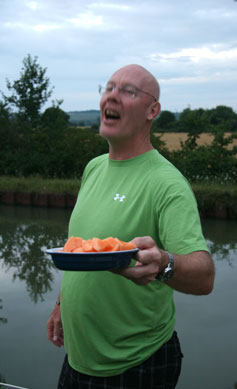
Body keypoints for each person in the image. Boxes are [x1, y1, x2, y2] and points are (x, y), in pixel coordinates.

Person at [47, 64, 215, 389]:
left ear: (153, 110)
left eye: (128, 91)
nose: (112, 95)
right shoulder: (94, 168)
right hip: (78, 359)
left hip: (136, 364)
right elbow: (79, 251)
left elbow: (204, 276)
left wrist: (164, 264)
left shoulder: (167, 183)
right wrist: (60, 305)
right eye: (109, 87)